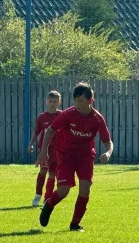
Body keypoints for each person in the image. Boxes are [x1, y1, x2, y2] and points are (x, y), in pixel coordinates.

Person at [35, 82, 113, 232]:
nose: (78, 104)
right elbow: (51, 130)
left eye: (81, 101)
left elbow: (107, 141)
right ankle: (49, 204)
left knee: (85, 189)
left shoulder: (97, 118)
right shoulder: (68, 114)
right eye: (76, 100)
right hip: (65, 155)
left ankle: (75, 224)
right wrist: (43, 151)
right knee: (63, 190)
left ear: (91, 101)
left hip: (85, 156)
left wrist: (108, 152)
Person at [27, 90, 62, 207]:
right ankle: (37, 195)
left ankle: (47, 198)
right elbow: (37, 132)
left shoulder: (61, 115)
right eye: (50, 101)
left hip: (57, 149)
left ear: (59, 102)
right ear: (46, 102)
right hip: (44, 149)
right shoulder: (42, 117)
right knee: (43, 170)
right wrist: (31, 144)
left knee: (52, 173)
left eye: (55, 101)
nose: (52, 103)